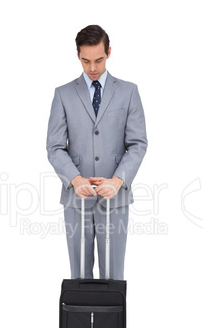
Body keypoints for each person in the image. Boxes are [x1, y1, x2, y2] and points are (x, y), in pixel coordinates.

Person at [46, 25, 147, 280]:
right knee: (79, 276)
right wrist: (75, 179)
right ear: (77, 55)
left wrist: (118, 180)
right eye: (86, 60)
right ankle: (81, 323)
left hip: (115, 197)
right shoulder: (63, 94)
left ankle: (111, 323)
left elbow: (138, 143)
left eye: (99, 60)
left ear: (109, 52)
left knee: (113, 277)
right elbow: (54, 146)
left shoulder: (128, 91)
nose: (92, 68)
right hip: (76, 198)